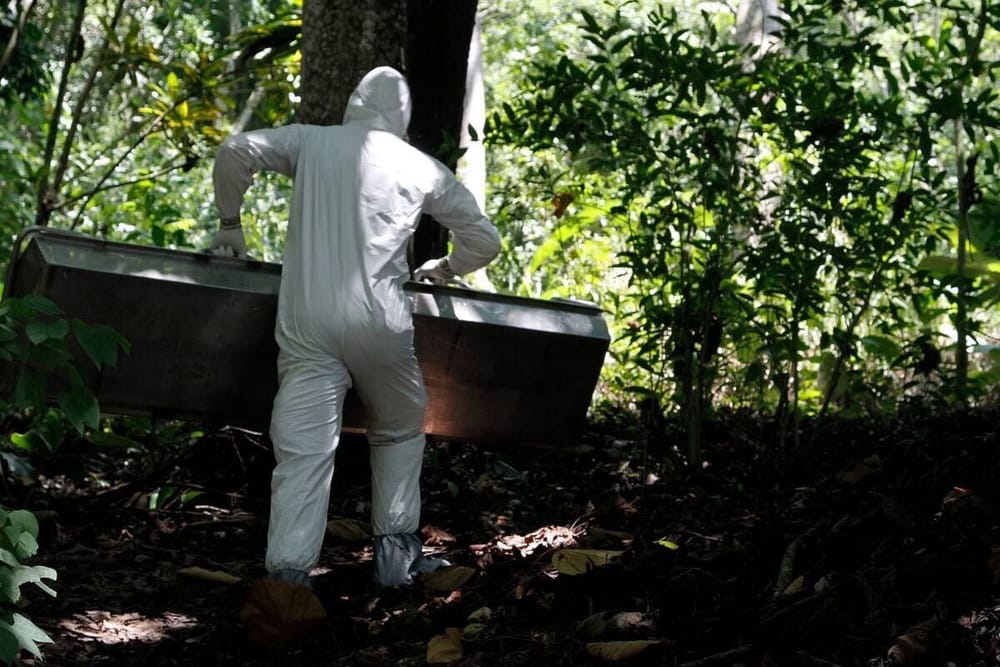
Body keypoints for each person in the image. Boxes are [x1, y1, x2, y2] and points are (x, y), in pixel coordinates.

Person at [208, 66, 501, 640]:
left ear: (351, 104)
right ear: (403, 118)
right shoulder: (421, 167)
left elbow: (234, 150)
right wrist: (444, 267)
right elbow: (484, 241)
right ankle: (396, 564)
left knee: (305, 454)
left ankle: (287, 586)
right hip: (381, 328)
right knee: (397, 429)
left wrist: (230, 223)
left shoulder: (310, 141)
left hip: (308, 325)